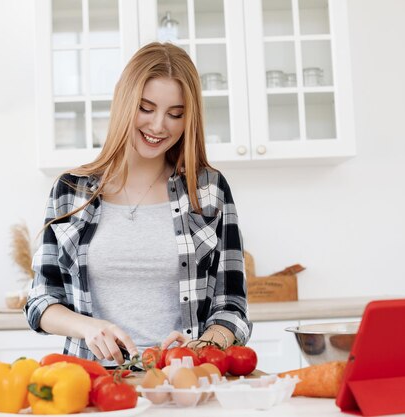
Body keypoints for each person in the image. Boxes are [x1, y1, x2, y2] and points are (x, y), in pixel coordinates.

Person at [24, 42, 251, 365]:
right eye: (146, 108)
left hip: (182, 381)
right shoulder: (71, 190)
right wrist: (89, 327)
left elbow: (232, 307)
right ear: (124, 102)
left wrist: (198, 347)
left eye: (175, 114)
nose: (159, 126)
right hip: (92, 380)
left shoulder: (209, 191)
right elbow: (41, 301)